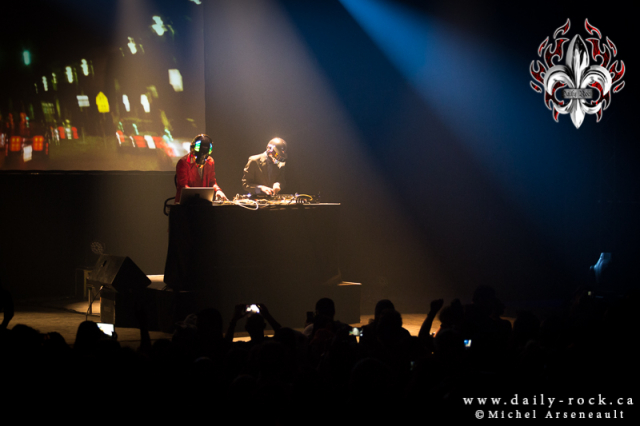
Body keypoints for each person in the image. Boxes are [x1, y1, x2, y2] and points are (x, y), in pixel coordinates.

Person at [175, 134, 227, 202]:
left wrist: (218, 190)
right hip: (186, 204)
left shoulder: (210, 161)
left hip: (204, 202)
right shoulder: (183, 162)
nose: (202, 158)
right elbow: (183, 187)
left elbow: (212, 182)